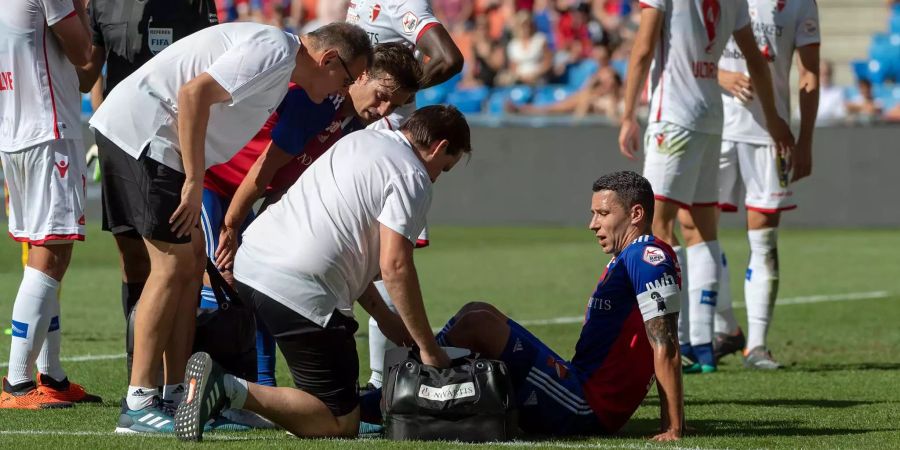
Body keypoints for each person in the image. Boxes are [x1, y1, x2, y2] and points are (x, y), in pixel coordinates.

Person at [88, 21, 372, 433]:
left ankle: (171, 393)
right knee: (170, 268)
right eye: (345, 79)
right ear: (328, 59)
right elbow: (193, 95)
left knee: (190, 266)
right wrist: (193, 177)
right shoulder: (274, 51)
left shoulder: (280, 69)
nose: (343, 91)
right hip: (146, 138)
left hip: (152, 141)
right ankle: (139, 402)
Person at [173, 105, 472, 441]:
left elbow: (340, 248)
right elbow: (396, 267)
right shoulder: (413, 175)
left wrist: (385, 317)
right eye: (444, 168)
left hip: (253, 262)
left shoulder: (360, 141)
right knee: (339, 422)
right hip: (296, 287)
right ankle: (227, 388)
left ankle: (248, 395)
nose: (436, 176)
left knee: (322, 394)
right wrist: (427, 347)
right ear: (439, 147)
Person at [202, 42, 422, 388]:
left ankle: (257, 386)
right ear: (361, 74)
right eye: (381, 96)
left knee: (254, 280)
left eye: (393, 106)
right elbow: (264, 168)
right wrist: (231, 226)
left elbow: (282, 189)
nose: (383, 110)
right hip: (215, 184)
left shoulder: (355, 128)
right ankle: (165, 389)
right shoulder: (317, 101)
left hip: (251, 198)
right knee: (210, 291)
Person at [430, 171, 684, 441]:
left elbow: (665, 342)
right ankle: (406, 378)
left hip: (586, 406)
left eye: (603, 213)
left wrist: (672, 427)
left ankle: (400, 387)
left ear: (635, 214)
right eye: (593, 213)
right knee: (476, 310)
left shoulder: (646, 257)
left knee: (477, 323)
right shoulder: (632, 256)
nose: (592, 224)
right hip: (579, 384)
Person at [618, 0, 795, 374]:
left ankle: (673, 342)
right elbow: (756, 59)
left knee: (657, 227)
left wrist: (627, 113)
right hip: (712, 119)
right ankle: (702, 347)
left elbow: (643, 49)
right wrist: (774, 117)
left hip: (674, 117)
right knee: (701, 230)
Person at [76, 0, 219, 388]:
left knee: (182, 258)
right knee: (133, 260)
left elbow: (210, 63)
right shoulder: (101, 5)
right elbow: (90, 70)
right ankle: (139, 368)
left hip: (173, 146)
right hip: (122, 141)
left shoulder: (194, 3)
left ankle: (172, 376)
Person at [346, 0, 465, 391]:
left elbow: (448, 58)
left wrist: (396, 94)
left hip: (385, 137)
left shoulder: (402, 3)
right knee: (353, 255)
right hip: (360, 132)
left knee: (383, 264)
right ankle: (371, 379)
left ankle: (383, 380)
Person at [704, 0, 820, 370]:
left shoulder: (802, 3)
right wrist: (722, 76)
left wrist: (805, 141)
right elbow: (688, 48)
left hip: (772, 135)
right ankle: (725, 327)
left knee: (764, 238)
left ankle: (756, 345)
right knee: (698, 229)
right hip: (714, 126)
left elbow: (809, 74)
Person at [0, 0, 101, 409]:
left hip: (15, 131)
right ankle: (17, 384)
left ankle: (52, 376)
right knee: (52, 253)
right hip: (47, 129)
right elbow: (83, 56)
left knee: (45, 252)